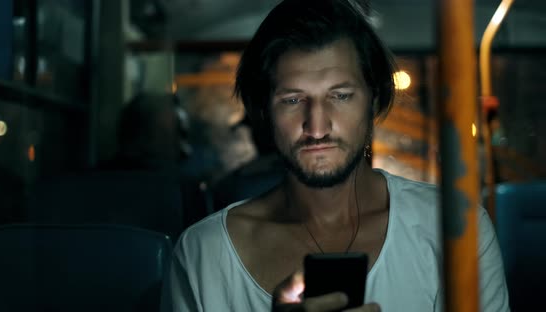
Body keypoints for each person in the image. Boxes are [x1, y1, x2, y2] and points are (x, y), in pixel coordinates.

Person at [161, 0, 509, 311]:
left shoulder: (455, 231)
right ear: (264, 111)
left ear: (373, 100)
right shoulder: (203, 255)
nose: (316, 127)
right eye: (293, 100)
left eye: (340, 96)